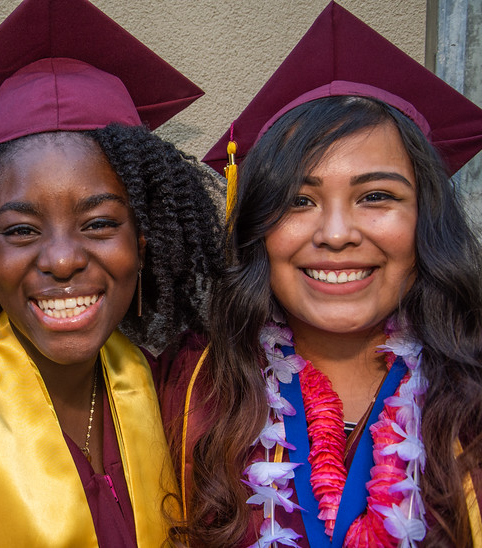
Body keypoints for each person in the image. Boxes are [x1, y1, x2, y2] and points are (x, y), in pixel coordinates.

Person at [0, 0, 224, 546]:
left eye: (98, 224)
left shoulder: (169, 398)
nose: (63, 259)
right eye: (22, 231)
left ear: (143, 243)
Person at [155, 3, 482, 547]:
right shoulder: (186, 390)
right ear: (258, 226)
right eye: (297, 200)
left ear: (427, 216)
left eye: (376, 196)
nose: (335, 233)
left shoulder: (470, 399)